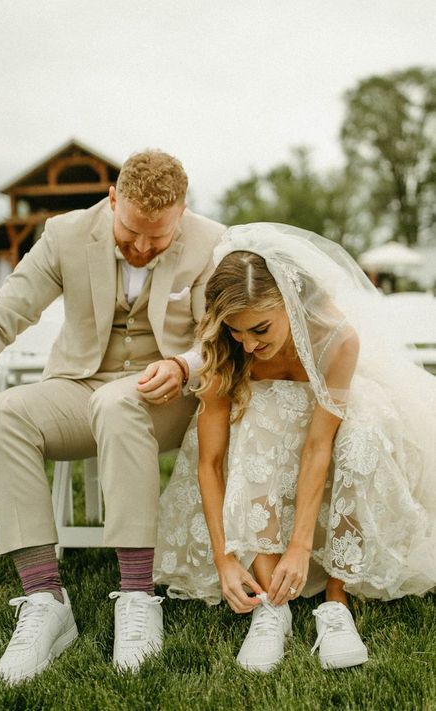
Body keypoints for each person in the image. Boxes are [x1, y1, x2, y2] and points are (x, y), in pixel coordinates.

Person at [0, 150, 226, 683]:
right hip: (79, 385)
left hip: (167, 399)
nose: (144, 247)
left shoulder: (211, 241)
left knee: (121, 400)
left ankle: (136, 596)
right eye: (131, 232)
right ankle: (45, 601)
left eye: (159, 236)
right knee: (3, 414)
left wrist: (184, 363)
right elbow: (1, 316)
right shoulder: (64, 235)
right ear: (112, 201)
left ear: (182, 212)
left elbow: (218, 333)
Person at [154, 223, 436, 672]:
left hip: (327, 427)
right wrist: (225, 557)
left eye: (260, 328)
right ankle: (271, 604)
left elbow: (318, 445)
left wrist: (301, 546)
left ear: (288, 299)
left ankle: (336, 600)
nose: (248, 343)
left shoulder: (336, 339)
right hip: (260, 440)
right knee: (255, 422)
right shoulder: (226, 348)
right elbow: (209, 463)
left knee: (360, 439)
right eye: (237, 331)